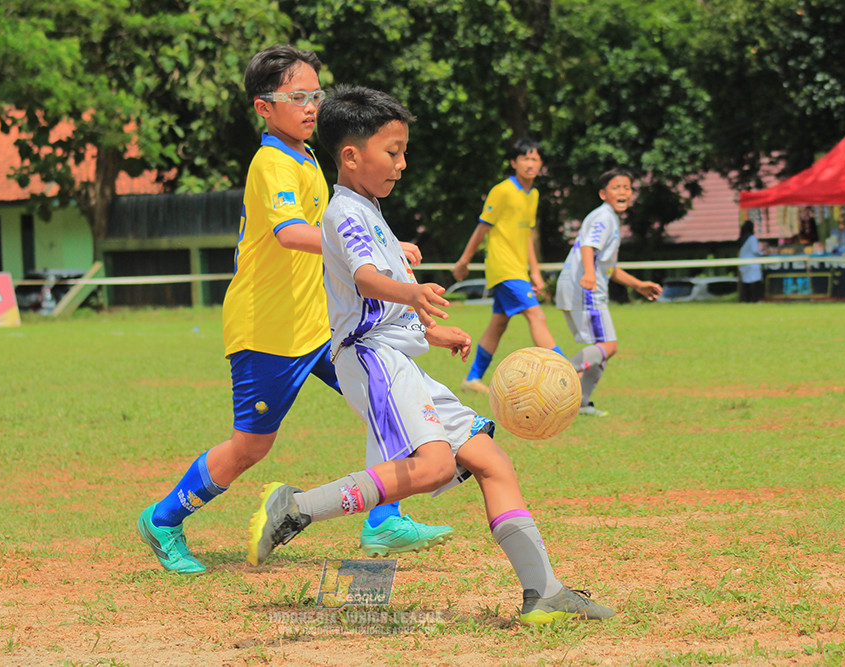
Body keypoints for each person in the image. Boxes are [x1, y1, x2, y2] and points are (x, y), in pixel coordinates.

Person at [247, 84, 615, 626]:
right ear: (351, 156)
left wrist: (429, 330)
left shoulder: (370, 208)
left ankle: (544, 591)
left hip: (393, 354)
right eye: (391, 152)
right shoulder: (344, 211)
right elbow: (368, 279)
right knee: (434, 464)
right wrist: (413, 294)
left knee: (491, 460)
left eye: (403, 151)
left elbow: (380, 286)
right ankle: (298, 508)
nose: (402, 163)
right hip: (370, 358)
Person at [136, 46, 449, 576]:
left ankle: (383, 520)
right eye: (298, 97)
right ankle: (163, 519)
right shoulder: (272, 161)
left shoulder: (306, 158)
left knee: (382, 402)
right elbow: (289, 233)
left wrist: (383, 248)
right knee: (250, 448)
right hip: (269, 331)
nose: (311, 107)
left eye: (316, 96)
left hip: (322, 327)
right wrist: (374, 252)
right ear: (263, 107)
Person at [452, 139, 564, 394]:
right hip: (503, 268)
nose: (530, 163)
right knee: (537, 315)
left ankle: (472, 378)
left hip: (518, 269)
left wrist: (535, 272)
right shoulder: (502, 190)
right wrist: (464, 261)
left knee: (499, 323)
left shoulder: (533, 194)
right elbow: (483, 227)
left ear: (541, 164)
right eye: (525, 158)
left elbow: (527, 238)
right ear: (514, 163)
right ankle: (564, 372)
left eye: (535, 159)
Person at [554, 168, 662, 417]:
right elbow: (589, 247)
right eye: (616, 187)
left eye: (627, 187)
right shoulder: (603, 217)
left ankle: (581, 403)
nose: (623, 191)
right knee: (609, 346)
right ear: (603, 194)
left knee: (601, 351)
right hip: (586, 289)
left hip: (584, 288)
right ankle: (561, 373)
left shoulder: (610, 218)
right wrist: (589, 274)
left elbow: (609, 267)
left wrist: (637, 285)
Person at [738, 220, 764, 303]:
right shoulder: (752, 238)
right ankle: (754, 299)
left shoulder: (742, 239)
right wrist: (763, 253)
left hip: (743, 263)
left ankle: (746, 299)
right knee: (754, 282)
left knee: (746, 282)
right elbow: (755, 250)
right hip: (752, 264)